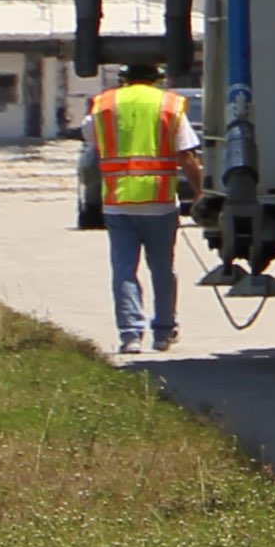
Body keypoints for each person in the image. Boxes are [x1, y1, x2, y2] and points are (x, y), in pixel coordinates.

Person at [83, 55, 204, 356]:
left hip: (118, 202)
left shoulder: (104, 105)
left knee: (124, 270)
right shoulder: (168, 105)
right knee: (162, 269)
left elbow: (92, 145)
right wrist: (201, 192)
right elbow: (186, 155)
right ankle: (163, 333)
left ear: (124, 78)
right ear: (157, 79)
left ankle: (130, 335)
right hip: (160, 202)